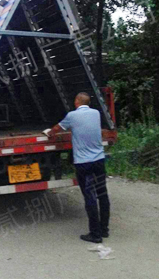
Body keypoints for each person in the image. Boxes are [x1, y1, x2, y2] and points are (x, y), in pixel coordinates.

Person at [47, 92, 110, 243]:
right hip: (99, 160)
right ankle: (104, 229)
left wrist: (49, 132)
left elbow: (57, 128)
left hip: (83, 163)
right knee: (102, 194)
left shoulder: (72, 116)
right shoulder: (96, 113)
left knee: (89, 196)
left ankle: (95, 234)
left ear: (76, 101)